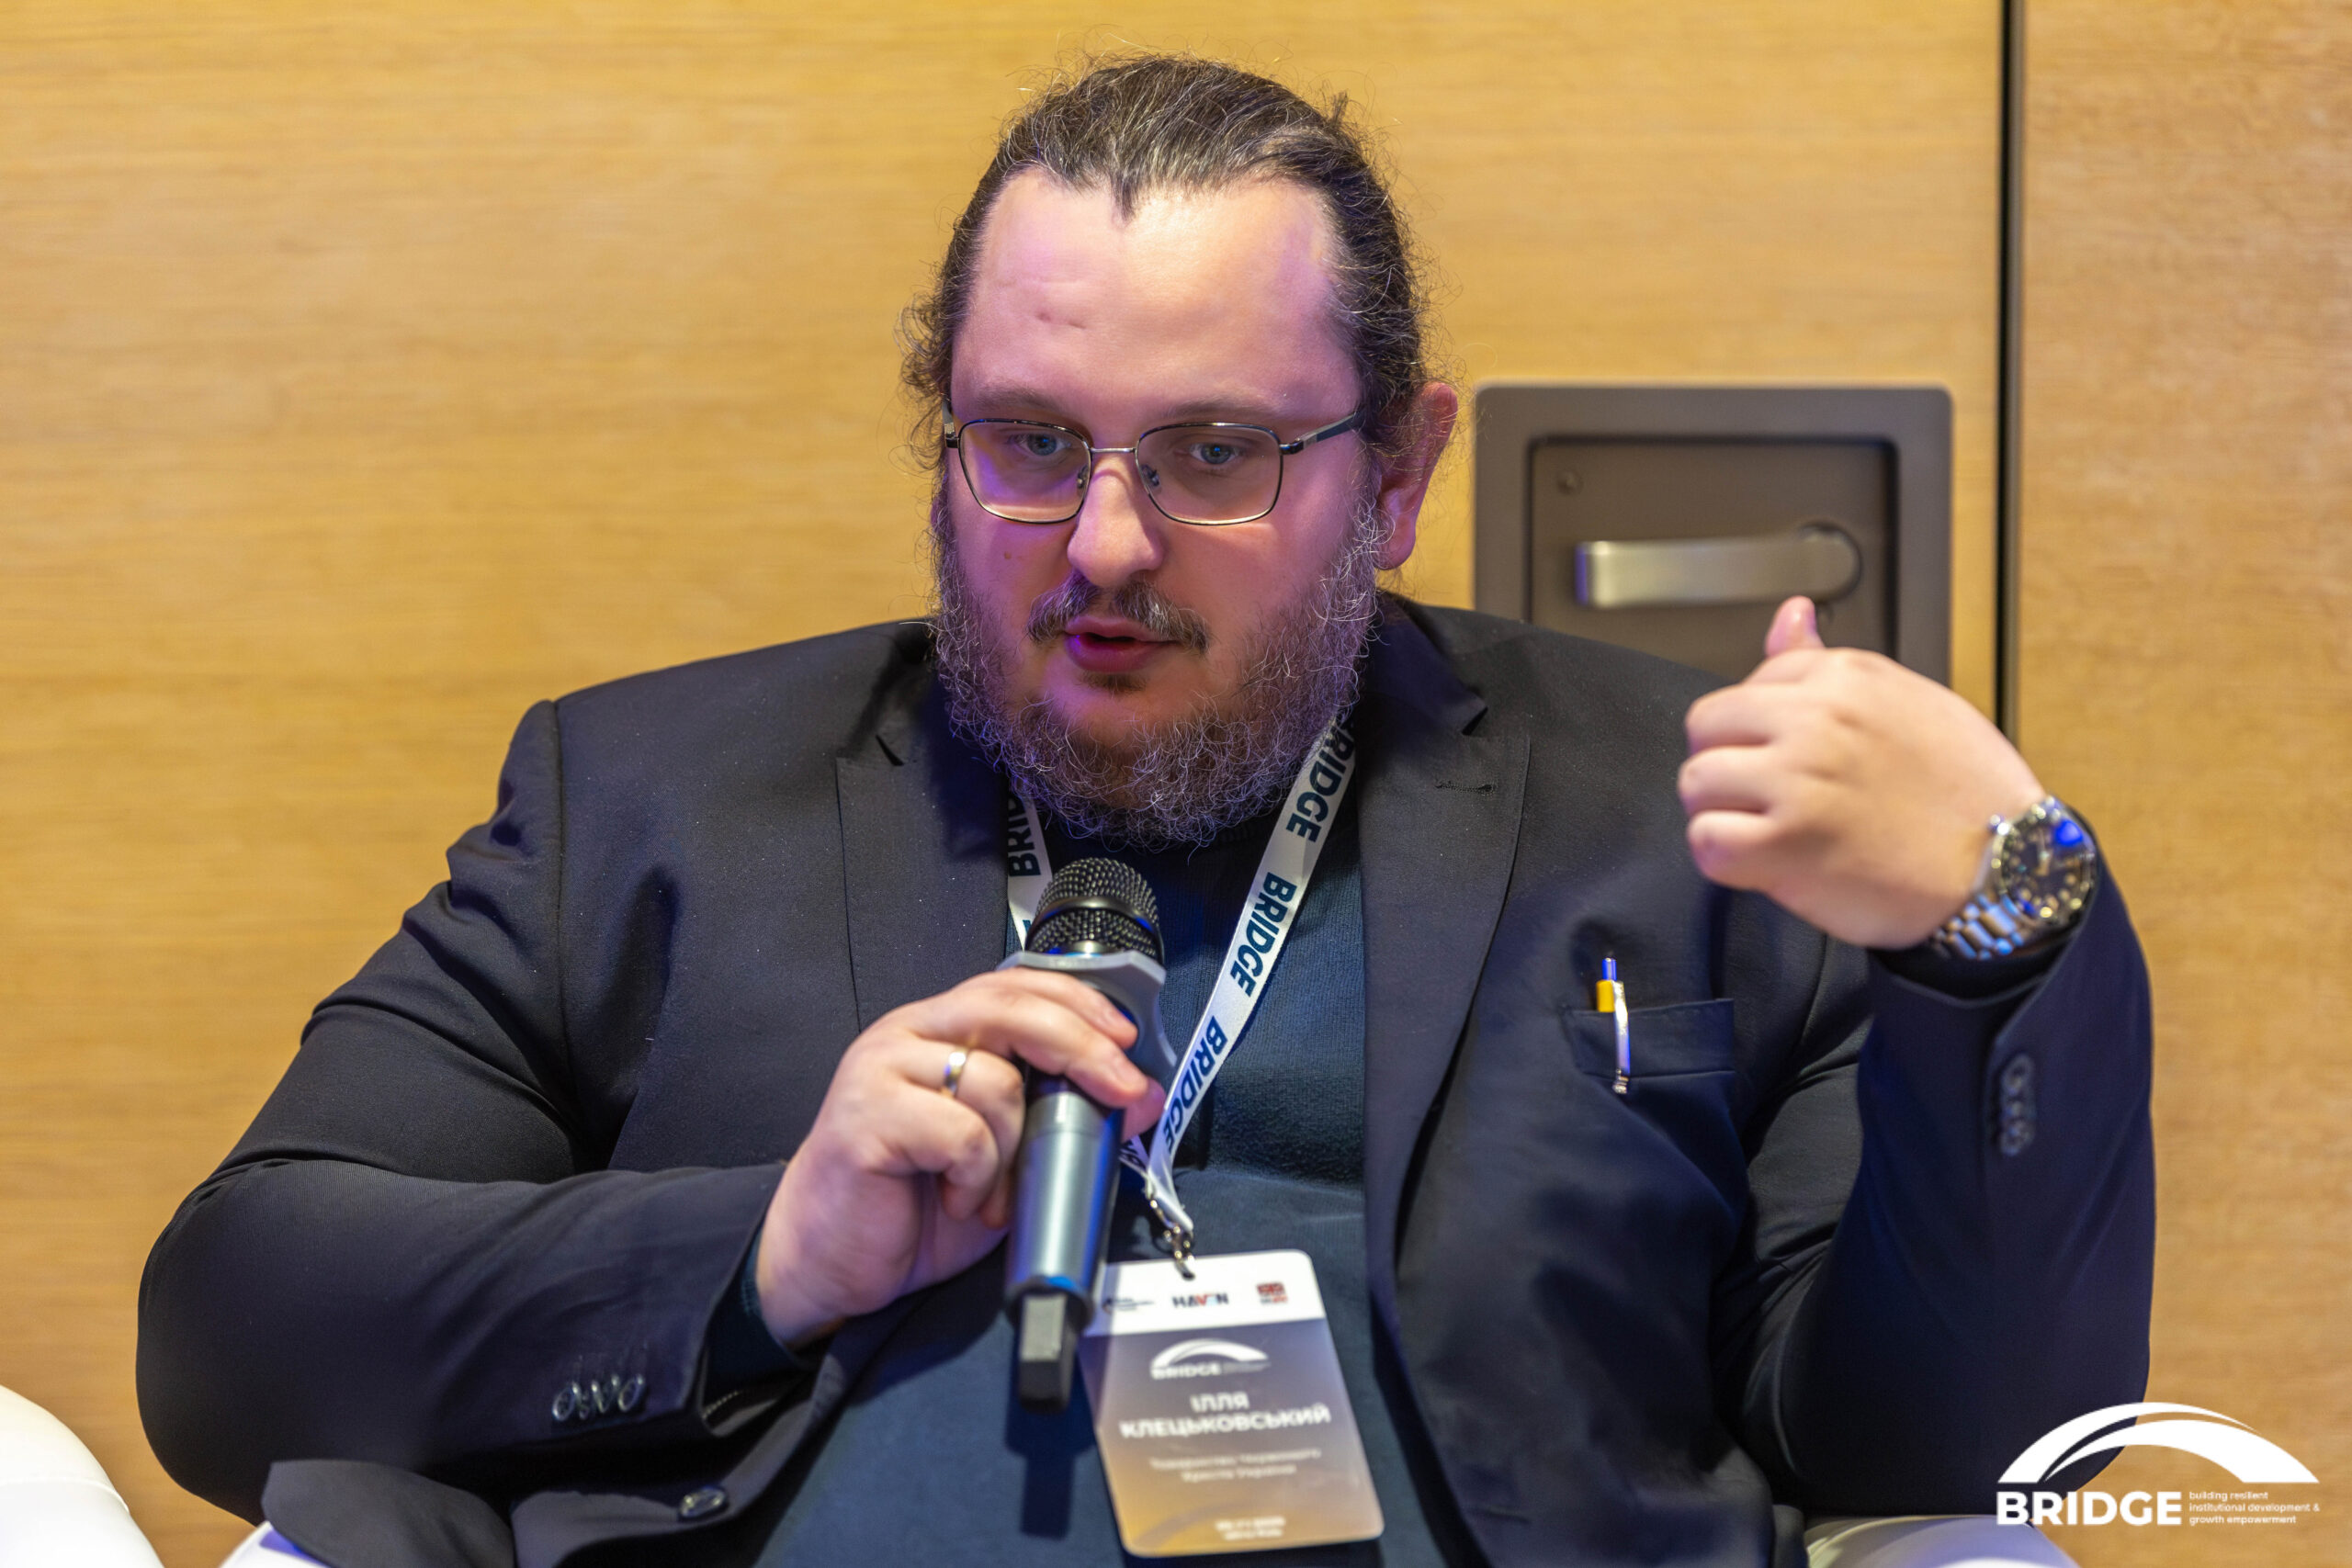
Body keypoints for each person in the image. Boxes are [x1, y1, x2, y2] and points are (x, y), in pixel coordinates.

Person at [137, 54, 2153, 1568]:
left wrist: (2001, 920)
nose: (1102, 542)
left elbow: (1954, 1451)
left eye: (1210, 453)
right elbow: (234, 1331)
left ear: (1396, 471)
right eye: (1029, 442)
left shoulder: (1674, 821)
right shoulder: (651, 801)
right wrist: (766, 1252)